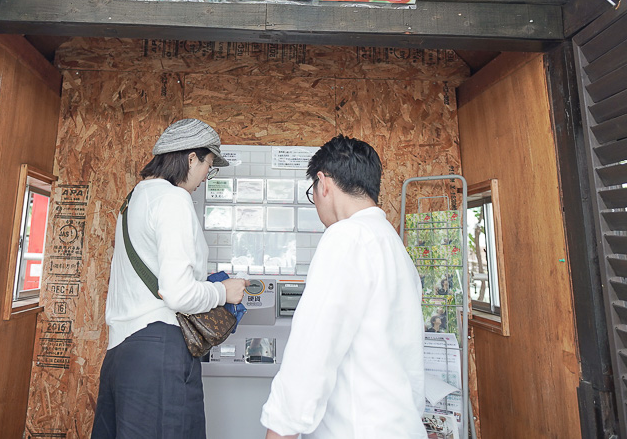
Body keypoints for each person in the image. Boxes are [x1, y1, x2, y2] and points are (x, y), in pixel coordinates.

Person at [92, 119, 248, 439]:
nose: (207, 174)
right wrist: (223, 292)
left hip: (121, 352)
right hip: (159, 351)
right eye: (208, 164)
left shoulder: (133, 199)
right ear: (191, 158)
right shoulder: (174, 199)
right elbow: (176, 294)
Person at [261, 135, 427, 439]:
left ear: (323, 184)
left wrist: (281, 428)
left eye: (314, 192)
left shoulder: (346, 237)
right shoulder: (393, 245)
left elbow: (311, 353)